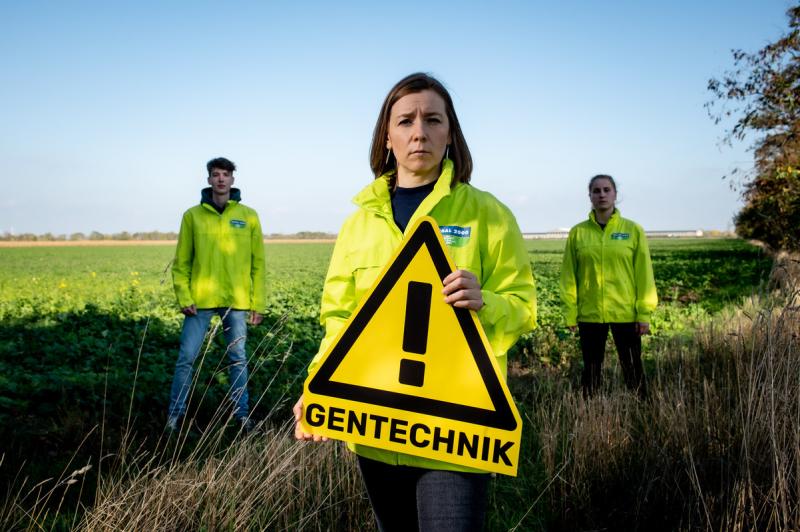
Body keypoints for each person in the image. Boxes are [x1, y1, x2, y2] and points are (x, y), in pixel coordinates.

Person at [293, 73, 536, 531]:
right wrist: (316, 388)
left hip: (458, 433)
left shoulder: (489, 215)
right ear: (387, 137)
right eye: (405, 120)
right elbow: (340, 318)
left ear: (450, 134)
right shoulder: (358, 225)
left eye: (432, 119)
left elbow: (523, 305)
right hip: (375, 428)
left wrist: (487, 302)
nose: (419, 131)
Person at [167, 157, 265, 432]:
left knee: (238, 359)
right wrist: (184, 297)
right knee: (187, 358)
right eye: (215, 174)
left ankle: (242, 415)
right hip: (199, 302)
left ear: (233, 179)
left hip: (236, 301)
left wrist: (258, 302)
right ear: (208, 180)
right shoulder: (192, 216)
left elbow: (259, 263)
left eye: (226, 174)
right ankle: (175, 418)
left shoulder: (248, 216)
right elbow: (182, 262)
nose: (221, 179)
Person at [559, 174, 657, 398]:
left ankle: (642, 408)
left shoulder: (633, 230)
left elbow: (644, 274)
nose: (601, 194)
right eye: (596, 191)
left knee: (633, 368)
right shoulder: (578, 233)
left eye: (606, 190)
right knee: (591, 370)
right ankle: (591, 414)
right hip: (589, 313)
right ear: (590, 196)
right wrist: (570, 313)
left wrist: (644, 312)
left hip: (625, 313)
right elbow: (568, 276)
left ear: (615, 194)